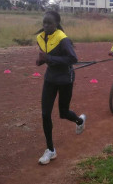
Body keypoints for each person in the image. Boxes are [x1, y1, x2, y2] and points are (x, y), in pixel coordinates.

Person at [36, 10, 86, 165]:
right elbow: (48, 56)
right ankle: (50, 150)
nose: (45, 26)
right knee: (45, 114)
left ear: (56, 24)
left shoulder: (62, 39)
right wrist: (42, 61)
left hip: (65, 79)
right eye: (44, 22)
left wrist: (48, 58)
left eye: (49, 23)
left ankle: (79, 121)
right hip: (50, 78)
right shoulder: (40, 38)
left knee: (63, 113)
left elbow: (72, 58)